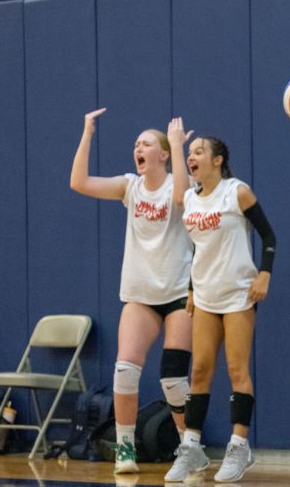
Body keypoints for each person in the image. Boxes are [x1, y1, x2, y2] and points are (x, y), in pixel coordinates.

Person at [70, 112, 193, 476]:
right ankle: (125, 447)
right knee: (125, 369)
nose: (138, 148)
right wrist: (87, 132)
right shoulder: (129, 187)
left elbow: (185, 201)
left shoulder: (175, 184)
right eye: (136, 144)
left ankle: (190, 446)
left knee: (173, 380)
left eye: (146, 143)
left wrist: (178, 145)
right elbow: (78, 182)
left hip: (177, 292)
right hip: (140, 295)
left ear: (163, 154)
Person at [163, 134, 277, 484]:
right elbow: (200, 248)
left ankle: (239, 446)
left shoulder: (236, 192)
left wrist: (264, 274)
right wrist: (192, 289)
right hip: (206, 295)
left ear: (217, 159)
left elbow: (269, 236)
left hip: (239, 293)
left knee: (237, 369)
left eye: (199, 151)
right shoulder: (190, 200)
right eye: (190, 152)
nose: (192, 157)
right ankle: (192, 448)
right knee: (198, 371)